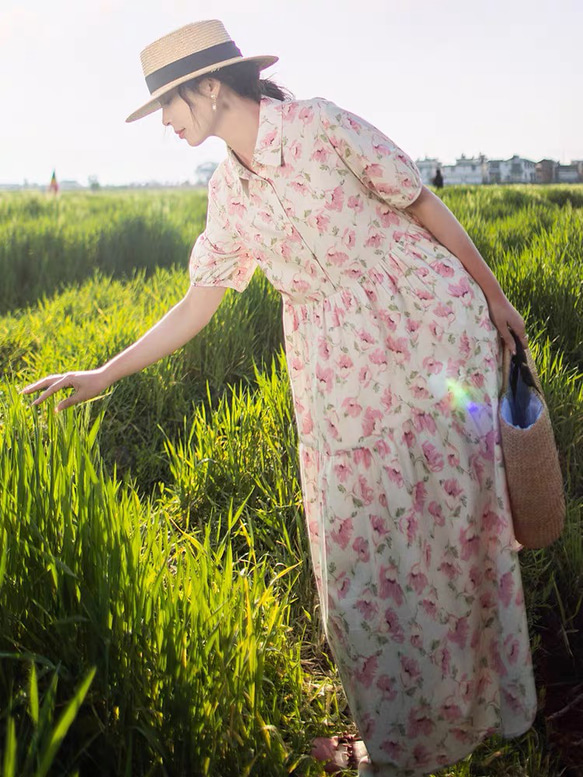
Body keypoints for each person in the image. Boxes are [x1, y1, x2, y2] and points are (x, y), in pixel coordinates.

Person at [20, 19, 538, 777]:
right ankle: (396, 738)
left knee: (444, 531)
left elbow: (421, 203)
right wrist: (103, 373)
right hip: (335, 379)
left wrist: (493, 300)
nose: (165, 122)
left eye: (168, 103)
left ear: (208, 86)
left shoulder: (320, 125)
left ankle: (467, 714)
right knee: (357, 553)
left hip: (425, 336)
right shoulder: (227, 187)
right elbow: (198, 303)